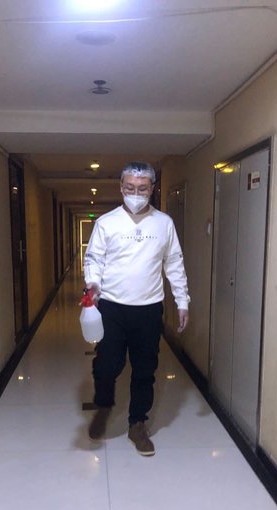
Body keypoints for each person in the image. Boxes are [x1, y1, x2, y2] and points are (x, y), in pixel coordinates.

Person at [83, 161, 190, 456]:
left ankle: (137, 423)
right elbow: (94, 258)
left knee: (145, 369)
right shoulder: (107, 223)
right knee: (107, 365)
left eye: (142, 189)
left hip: (148, 309)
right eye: (130, 187)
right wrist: (93, 284)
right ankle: (104, 406)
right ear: (121, 187)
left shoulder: (164, 224)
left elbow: (174, 263)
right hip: (112, 307)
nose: (136, 193)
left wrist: (182, 301)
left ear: (152, 189)